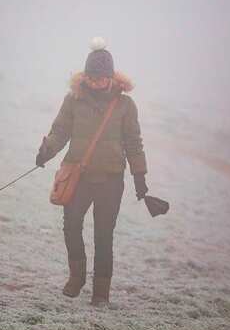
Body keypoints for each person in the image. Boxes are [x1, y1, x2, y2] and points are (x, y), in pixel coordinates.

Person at [36, 37, 148, 306]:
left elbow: (134, 142)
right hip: (79, 175)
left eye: (102, 78)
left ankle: (101, 293)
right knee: (71, 226)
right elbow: (60, 131)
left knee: (103, 235)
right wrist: (46, 151)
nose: (97, 82)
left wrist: (139, 176)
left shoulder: (125, 106)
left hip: (111, 179)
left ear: (111, 77)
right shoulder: (73, 100)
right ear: (86, 76)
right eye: (92, 77)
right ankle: (77, 278)